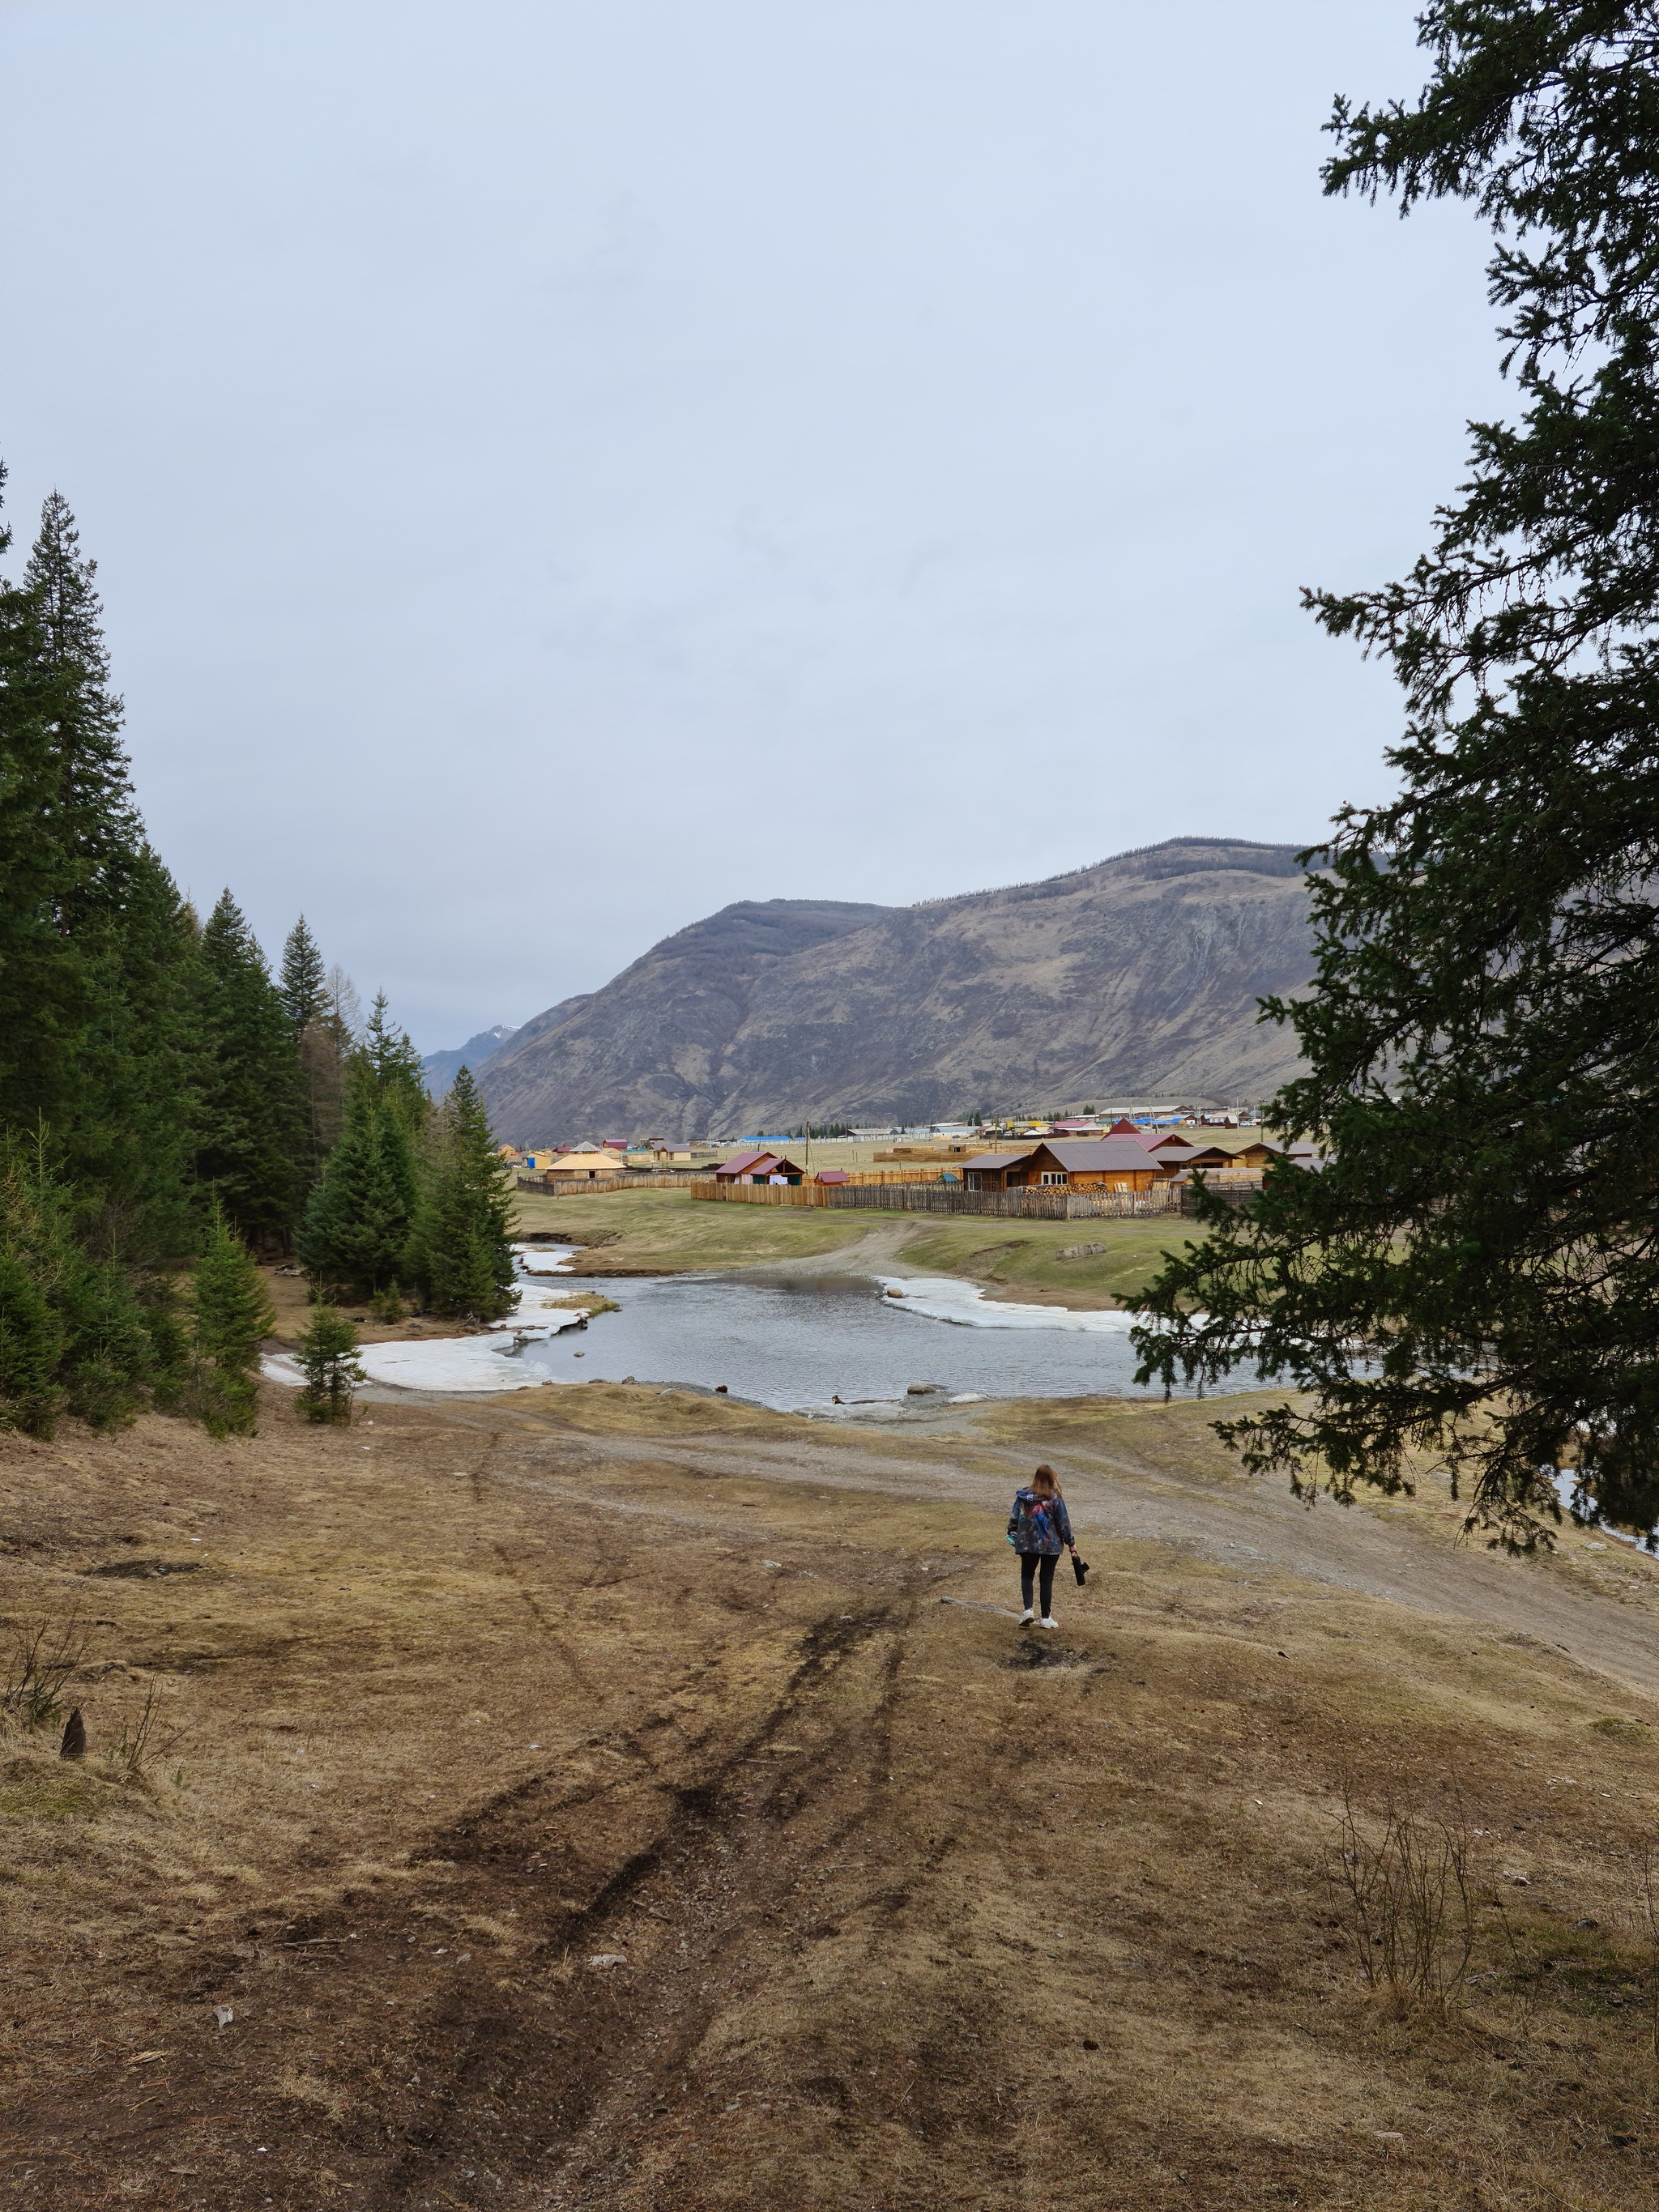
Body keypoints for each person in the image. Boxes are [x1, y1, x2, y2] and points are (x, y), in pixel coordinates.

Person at [1006, 1463, 1076, 1629]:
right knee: (1046, 1579)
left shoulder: (1024, 1495)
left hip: (1027, 1543)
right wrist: (1070, 1542)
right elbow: (1063, 1523)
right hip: (1050, 1546)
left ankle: (1028, 1611)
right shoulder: (1055, 1498)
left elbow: (1014, 1517)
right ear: (1052, 1478)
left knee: (1027, 1575)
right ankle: (1045, 1618)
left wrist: (1012, 1531)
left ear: (1036, 1477)